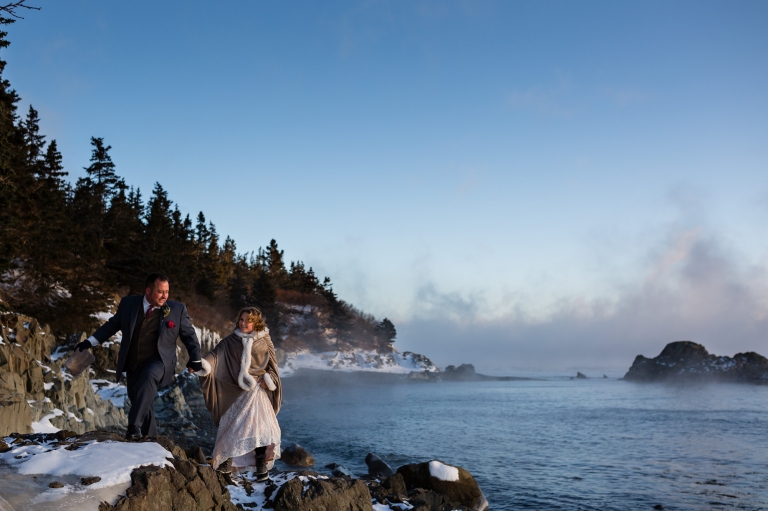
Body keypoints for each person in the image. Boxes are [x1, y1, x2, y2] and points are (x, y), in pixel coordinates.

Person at [75, 272, 203, 439]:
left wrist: (196, 358)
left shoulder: (177, 310)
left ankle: (133, 427)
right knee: (140, 398)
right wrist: (89, 342)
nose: (165, 296)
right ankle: (150, 439)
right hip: (133, 360)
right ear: (148, 291)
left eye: (167, 292)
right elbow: (112, 326)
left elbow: (189, 335)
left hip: (160, 361)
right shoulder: (129, 304)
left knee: (148, 378)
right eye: (160, 292)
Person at [197, 306, 281, 481]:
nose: (243, 323)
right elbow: (216, 356)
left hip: (258, 392)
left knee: (258, 431)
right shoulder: (230, 341)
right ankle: (226, 465)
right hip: (235, 393)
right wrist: (202, 365)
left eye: (248, 320)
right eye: (241, 319)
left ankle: (261, 468)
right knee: (233, 429)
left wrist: (268, 379)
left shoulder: (265, 341)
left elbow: (273, 368)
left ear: (255, 322)